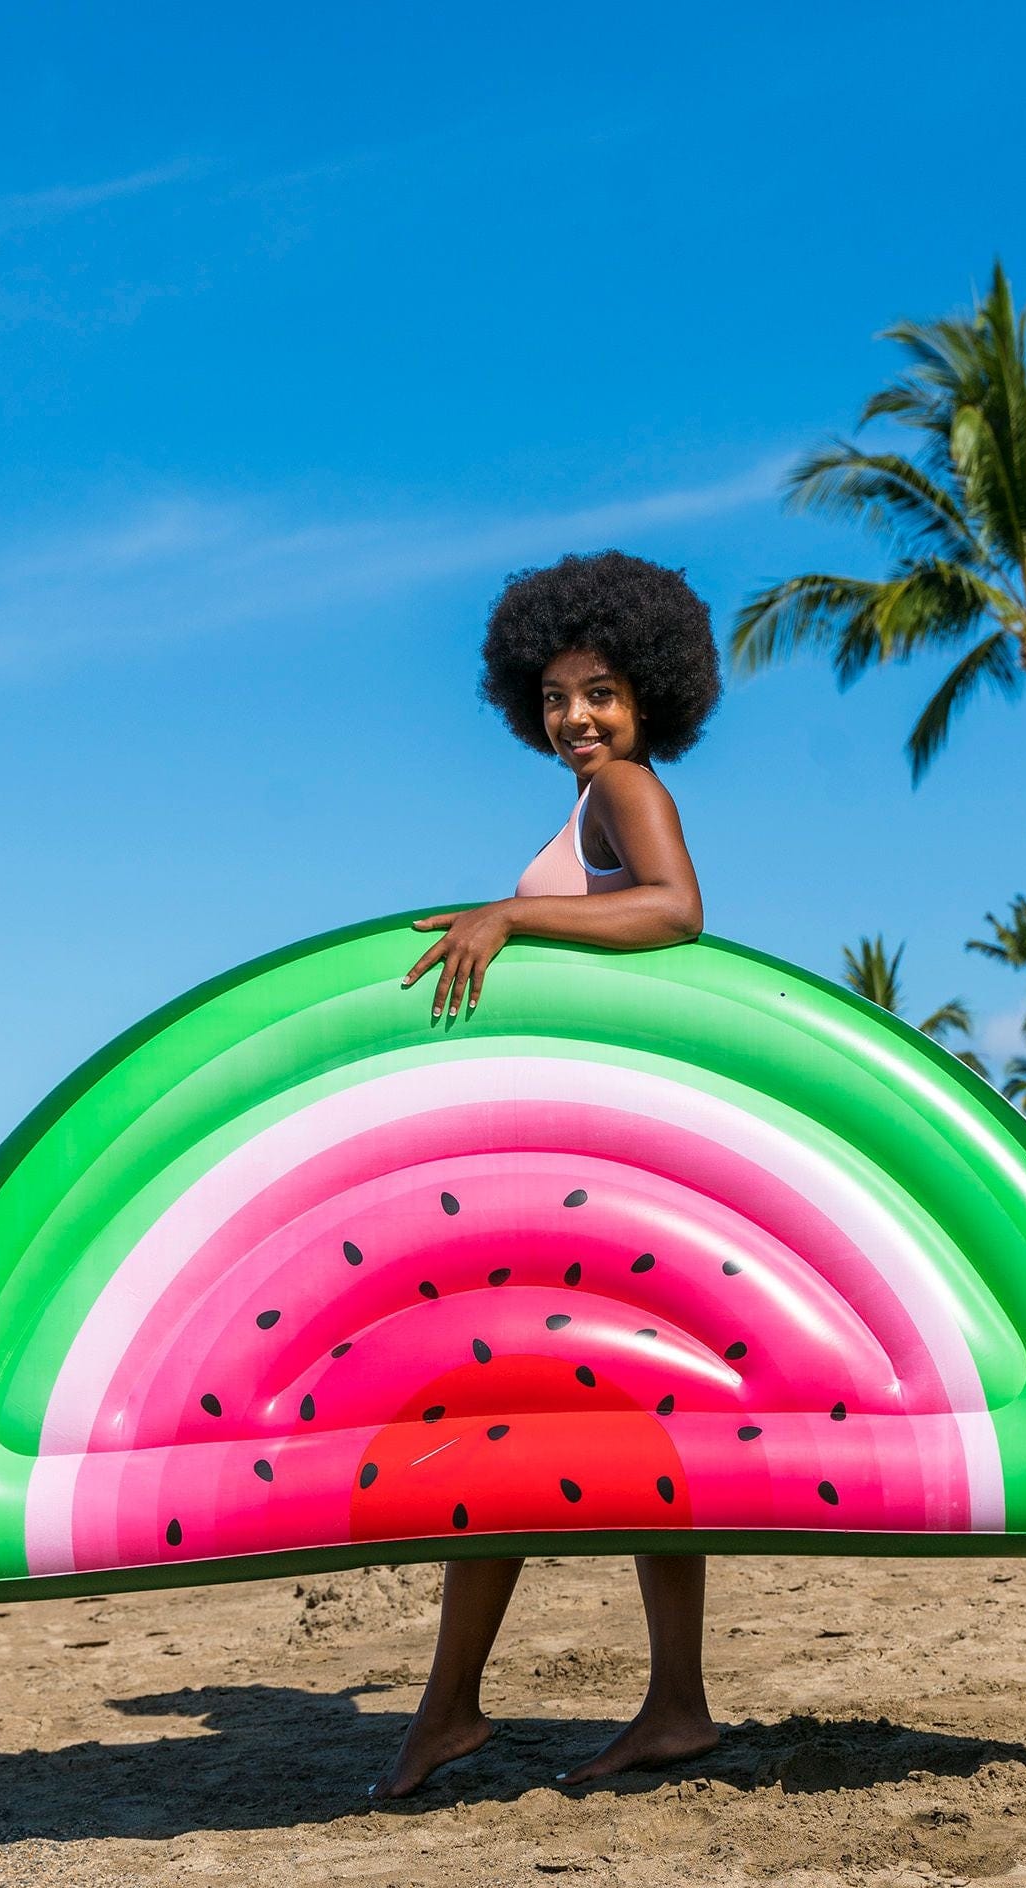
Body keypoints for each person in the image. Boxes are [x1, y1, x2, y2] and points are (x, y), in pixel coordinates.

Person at [371, 549, 721, 1801]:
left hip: (596, 1173)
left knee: (499, 1418)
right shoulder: (584, 805)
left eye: (605, 691)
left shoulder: (628, 787)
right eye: (563, 695)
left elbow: (677, 911)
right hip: (585, 1154)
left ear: (652, 698)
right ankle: (662, 1705)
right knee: (619, 1431)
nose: (581, 716)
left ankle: (451, 1707)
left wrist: (510, 917)